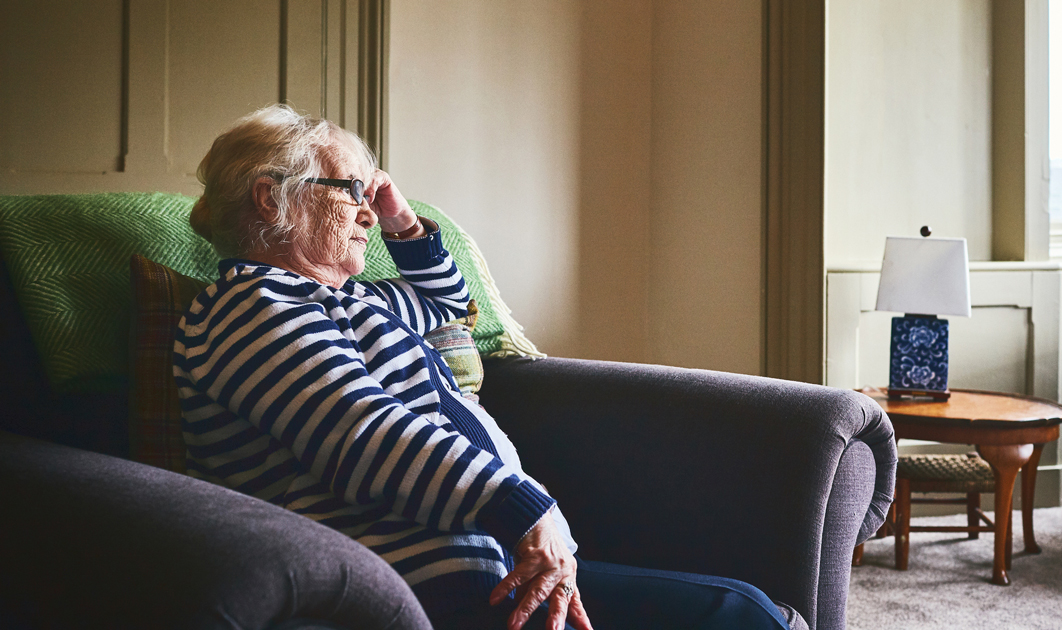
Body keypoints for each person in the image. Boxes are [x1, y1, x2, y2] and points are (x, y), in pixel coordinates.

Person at [175, 104, 797, 630]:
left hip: (481, 557)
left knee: (746, 608)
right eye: (351, 193)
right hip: (415, 580)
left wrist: (402, 219)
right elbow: (362, 436)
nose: (367, 212)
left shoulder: (354, 299)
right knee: (737, 616)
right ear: (270, 197)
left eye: (372, 196)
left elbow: (449, 306)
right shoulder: (249, 308)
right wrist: (524, 508)